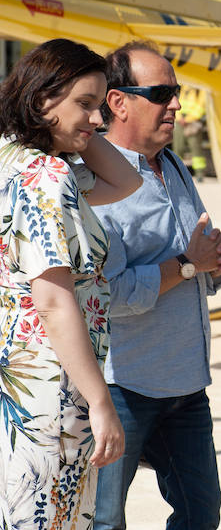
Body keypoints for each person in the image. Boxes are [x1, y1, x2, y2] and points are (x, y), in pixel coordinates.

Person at [92, 42, 221, 530]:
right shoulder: (94, 182)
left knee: (201, 515)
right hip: (125, 388)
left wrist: (216, 265)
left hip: (185, 387)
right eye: (162, 93)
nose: (176, 104)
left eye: (176, 92)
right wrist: (186, 265)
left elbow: (195, 268)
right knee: (103, 520)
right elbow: (107, 296)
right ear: (119, 103)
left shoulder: (173, 165)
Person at [0, 38, 142, 528]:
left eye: (100, 107)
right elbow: (55, 302)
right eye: (85, 104)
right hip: (52, 389)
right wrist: (101, 403)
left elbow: (125, 182)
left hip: (18, 384)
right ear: (42, 97)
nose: (98, 120)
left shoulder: (13, 158)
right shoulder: (46, 176)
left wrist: (74, 126)